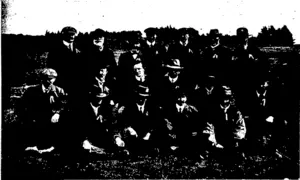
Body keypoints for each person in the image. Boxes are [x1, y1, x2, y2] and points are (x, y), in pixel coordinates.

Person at [20, 68, 67, 154]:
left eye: (52, 78)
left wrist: (57, 113)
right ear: (42, 79)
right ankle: (32, 144)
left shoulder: (59, 91)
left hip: (51, 119)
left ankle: (52, 145)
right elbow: (23, 106)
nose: (50, 81)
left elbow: (63, 105)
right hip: (35, 118)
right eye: (48, 78)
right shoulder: (31, 91)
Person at [115, 85, 160, 155]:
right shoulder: (128, 108)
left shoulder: (152, 108)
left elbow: (154, 123)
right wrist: (129, 128)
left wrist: (148, 134)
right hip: (134, 134)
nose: (142, 99)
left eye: (144, 97)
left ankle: (149, 148)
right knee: (129, 135)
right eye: (140, 96)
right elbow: (124, 122)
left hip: (146, 134)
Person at [204, 86, 246, 154]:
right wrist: (215, 143)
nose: (225, 99)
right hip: (216, 141)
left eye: (228, 97)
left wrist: (235, 140)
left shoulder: (236, 112)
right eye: (223, 96)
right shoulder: (211, 111)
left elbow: (240, 127)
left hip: (232, 140)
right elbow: (208, 128)